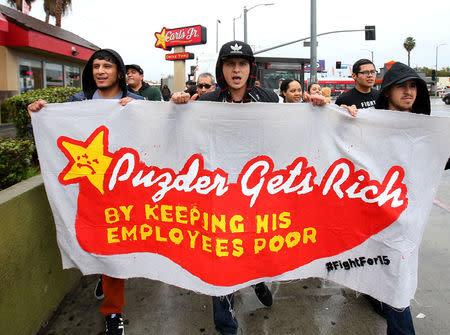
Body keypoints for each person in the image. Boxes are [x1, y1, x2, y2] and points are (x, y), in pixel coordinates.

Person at [172, 40, 326, 335]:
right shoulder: (205, 102)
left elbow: (292, 130)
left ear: (250, 68)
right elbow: (178, 134)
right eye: (230, 64)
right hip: (218, 195)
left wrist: (314, 108)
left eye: (242, 64)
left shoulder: (267, 97)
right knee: (221, 262)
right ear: (222, 69)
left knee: (254, 246)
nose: (236, 69)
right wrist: (177, 107)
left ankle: (257, 278)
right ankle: (226, 327)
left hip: (258, 193)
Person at [28, 49, 143, 335]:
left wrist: (140, 114)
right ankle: (112, 304)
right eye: (95, 66)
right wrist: (41, 116)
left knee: (119, 247)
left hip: (125, 189)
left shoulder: (137, 102)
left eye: (106, 66)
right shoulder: (76, 103)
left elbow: (162, 135)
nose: (100, 71)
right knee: (104, 245)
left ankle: (112, 306)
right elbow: (54, 137)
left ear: (119, 71)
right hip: (89, 190)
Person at [347, 61, 440, 335]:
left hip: (406, 225)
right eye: (402, 86)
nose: (409, 92)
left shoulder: (424, 128)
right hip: (373, 222)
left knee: (396, 287)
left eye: (413, 86)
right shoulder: (368, 125)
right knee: (395, 288)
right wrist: (338, 117)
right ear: (387, 92)